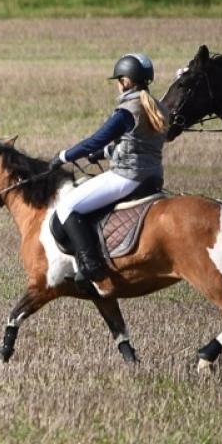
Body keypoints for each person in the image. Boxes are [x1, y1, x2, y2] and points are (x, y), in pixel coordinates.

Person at [53, 52, 169, 283]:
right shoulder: (157, 107)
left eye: (119, 80)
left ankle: (90, 265)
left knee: (67, 206)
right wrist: (105, 154)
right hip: (153, 175)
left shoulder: (128, 110)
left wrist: (64, 156)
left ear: (126, 81)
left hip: (128, 176)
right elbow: (140, 143)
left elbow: (96, 139)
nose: (118, 85)